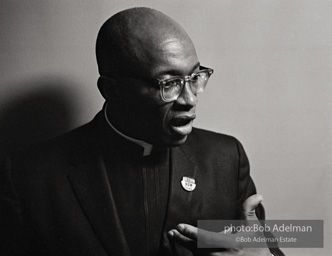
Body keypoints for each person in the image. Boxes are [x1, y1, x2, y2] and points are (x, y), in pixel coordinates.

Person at [0, 7, 284, 256]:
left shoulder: (226, 159)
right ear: (111, 90)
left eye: (196, 77)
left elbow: (261, 247)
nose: (190, 99)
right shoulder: (28, 178)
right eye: (170, 83)